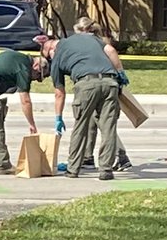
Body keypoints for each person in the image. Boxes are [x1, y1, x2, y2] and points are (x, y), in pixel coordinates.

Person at [38, 30, 121, 180]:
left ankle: (73, 169)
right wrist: (120, 72)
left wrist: (58, 118)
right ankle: (106, 170)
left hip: (86, 85)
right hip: (111, 82)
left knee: (80, 127)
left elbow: (59, 93)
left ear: (50, 50)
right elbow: (110, 50)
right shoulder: (87, 38)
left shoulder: (57, 57)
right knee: (109, 128)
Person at [74, 17, 132, 171]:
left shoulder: (96, 42)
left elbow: (111, 51)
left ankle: (121, 155)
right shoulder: (97, 42)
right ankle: (88, 157)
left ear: (84, 31)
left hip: (103, 86)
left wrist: (120, 74)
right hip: (103, 84)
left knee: (104, 124)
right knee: (92, 123)